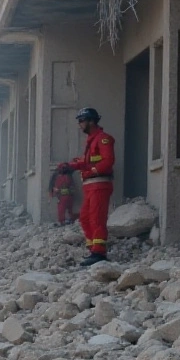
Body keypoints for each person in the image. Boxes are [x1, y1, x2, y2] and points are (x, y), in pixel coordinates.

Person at [56, 107, 115, 266]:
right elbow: (86, 161)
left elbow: (107, 161)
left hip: (99, 184)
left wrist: (91, 171)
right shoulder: (91, 141)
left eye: (81, 121)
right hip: (90, 186)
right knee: (85, 218)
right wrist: (70, 166)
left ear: (91, 121)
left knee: (97, 218)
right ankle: (93, 249)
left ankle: (99, 252)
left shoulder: (104, 139)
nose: (80, 124)